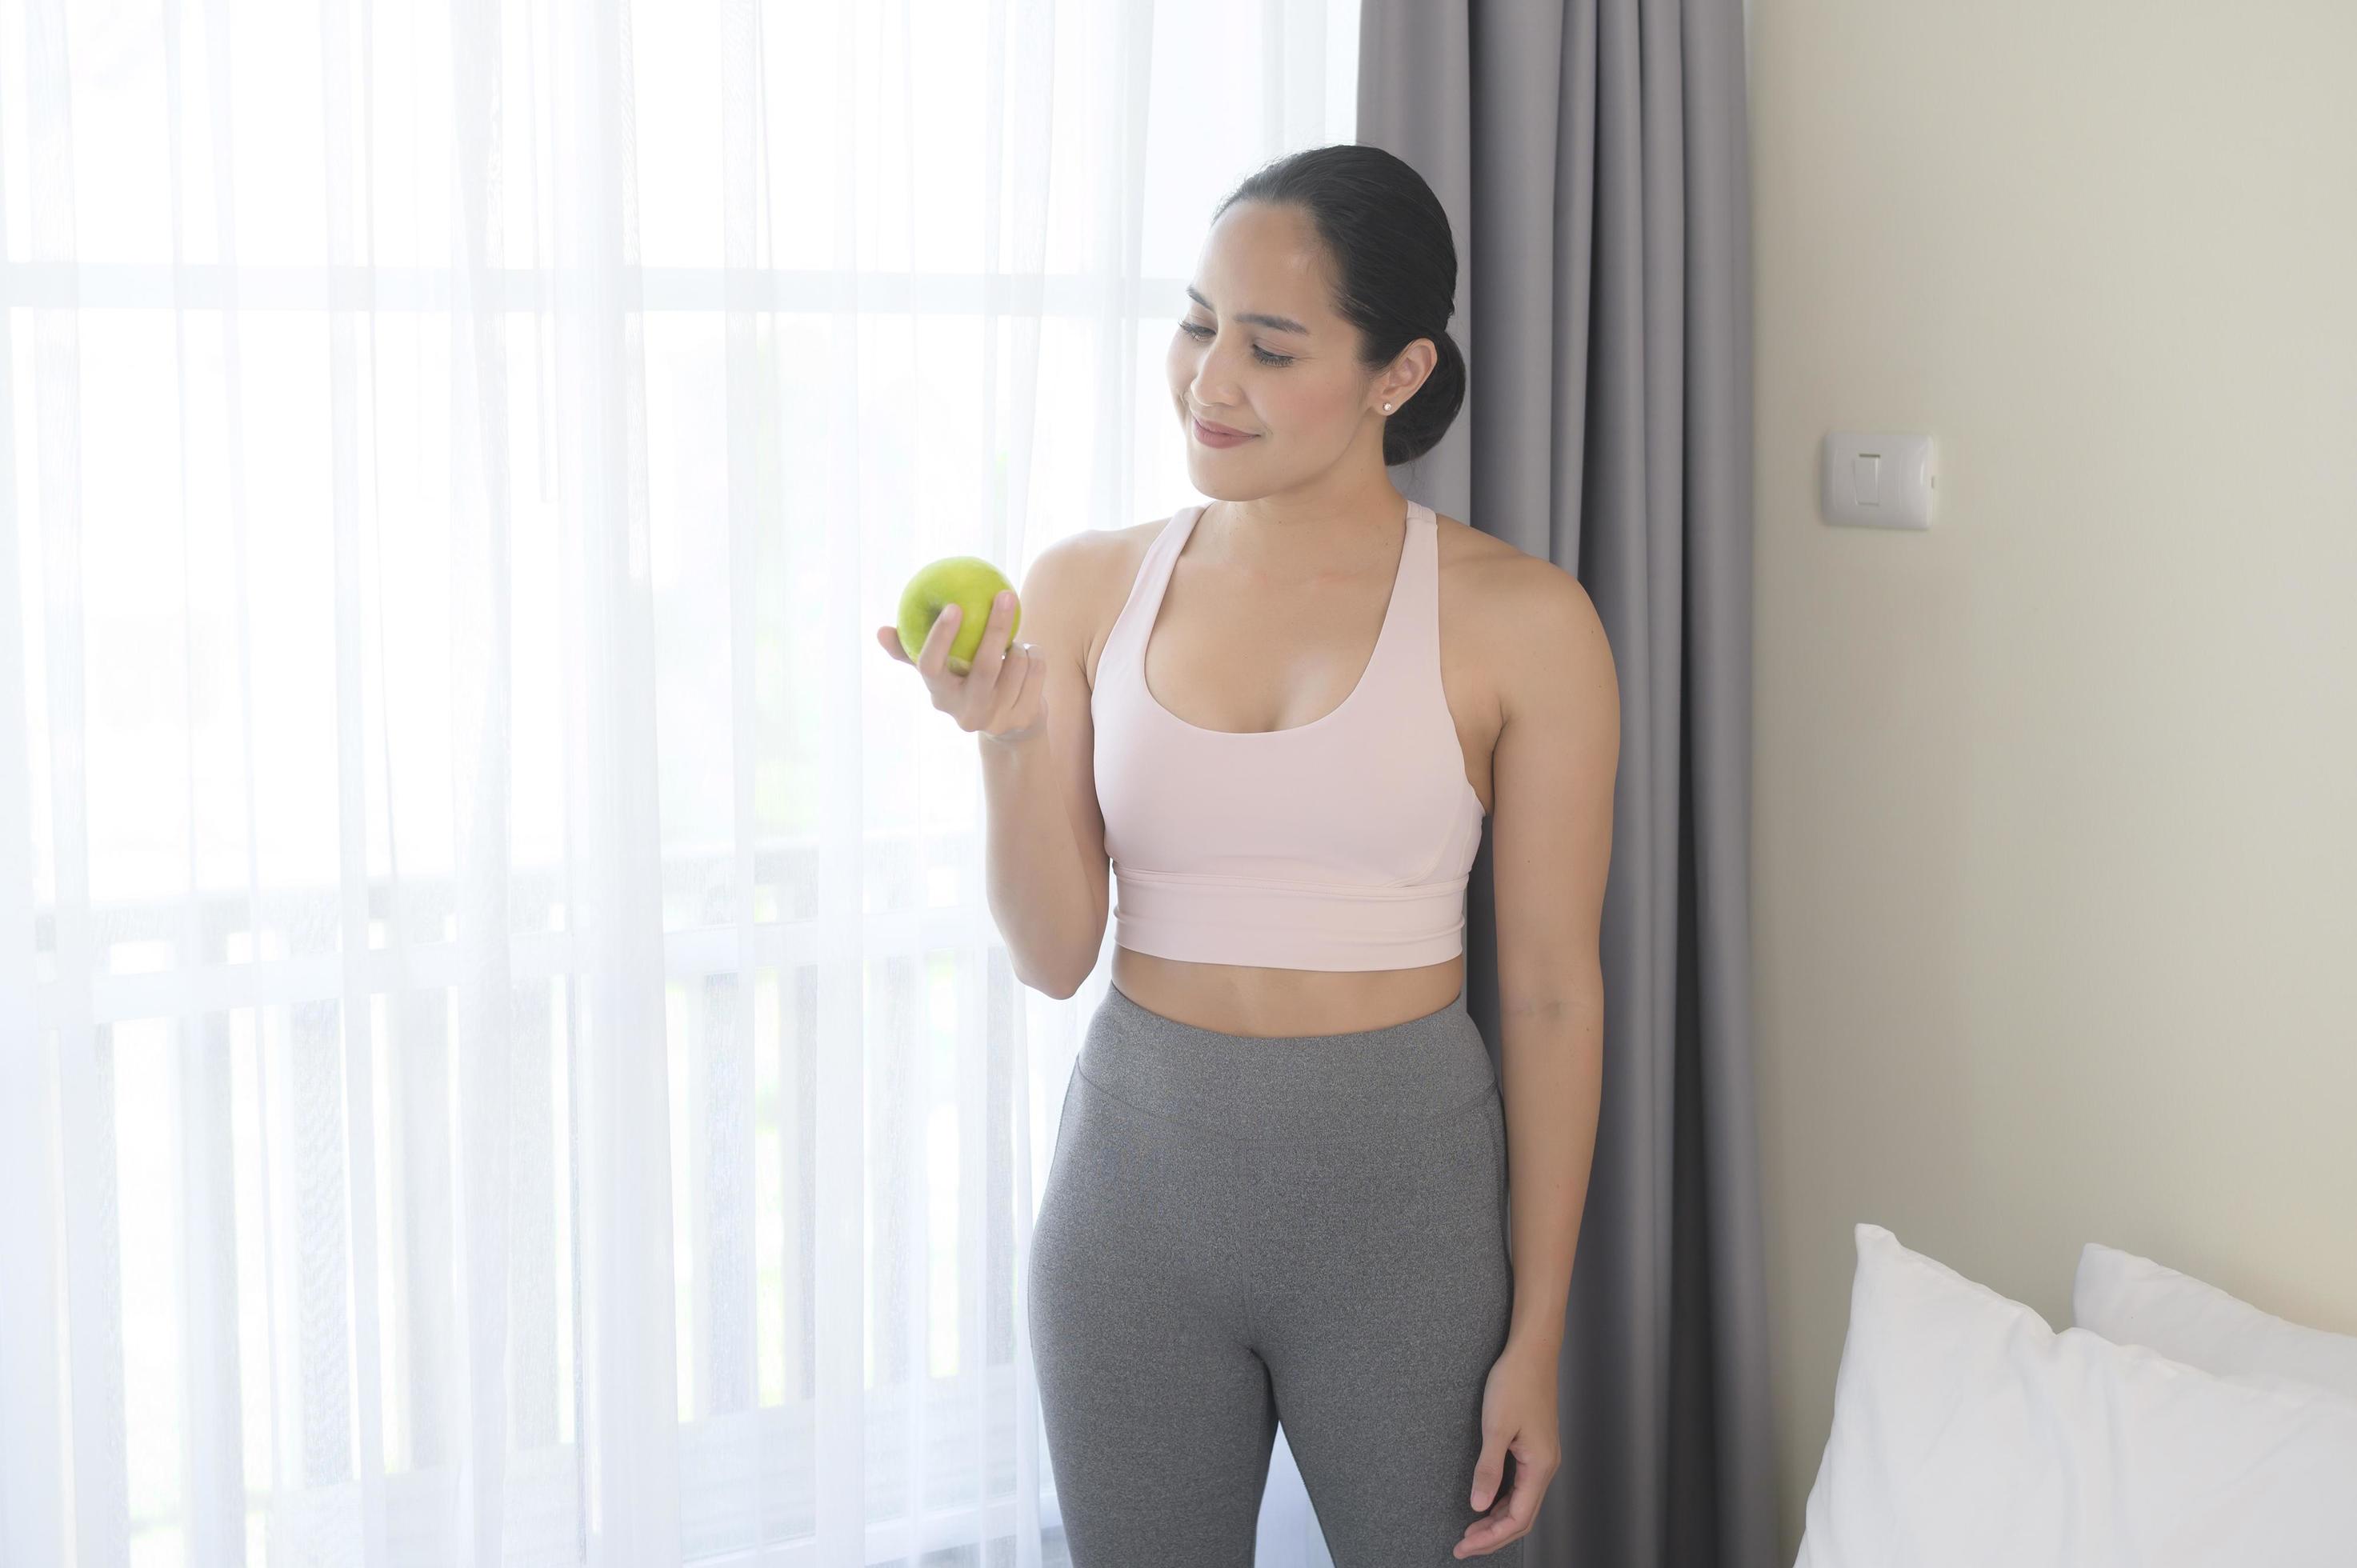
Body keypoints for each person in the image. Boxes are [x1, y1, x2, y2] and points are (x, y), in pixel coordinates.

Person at [877, 143, 1617, 1566]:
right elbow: (1050, 960)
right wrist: (1006, 740)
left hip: (1402, 1215)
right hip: (1132, 1209)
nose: (1211, 381)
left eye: (1272, 348)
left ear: (1397, 374)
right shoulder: (1088, 585)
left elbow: (1550, 995)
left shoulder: (1525, 621)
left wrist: (1536, 1335)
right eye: (1199, 321)